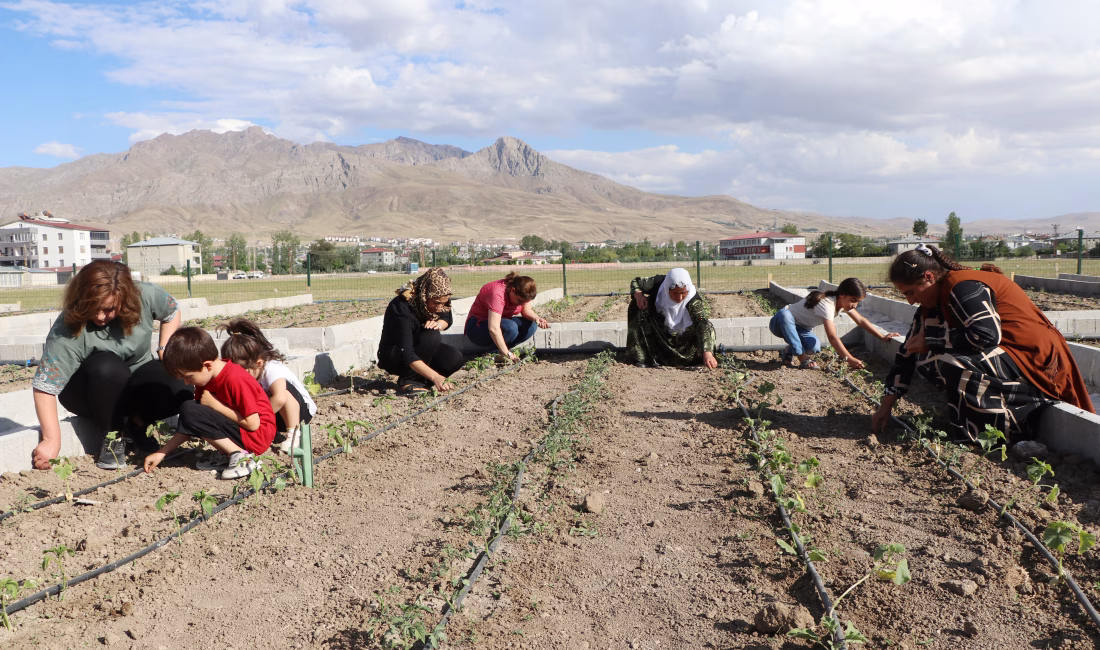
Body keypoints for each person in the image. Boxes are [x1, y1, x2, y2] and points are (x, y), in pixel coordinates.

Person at [871, 243, 1094, 442]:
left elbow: (986, 335)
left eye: (911, 292)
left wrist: (932, 340)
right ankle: (979, 416)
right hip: (1010, 353)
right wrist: (886, 404)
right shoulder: (932, 304)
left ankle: (999, 431)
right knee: (926, 358)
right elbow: (907, 351)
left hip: (1034, 356)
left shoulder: (963, 287)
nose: (911, 300)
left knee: (948, 360)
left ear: (929, 277)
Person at [31, 260, 193, 471]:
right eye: (93, 308)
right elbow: (45, 386)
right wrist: (51, 439)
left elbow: (172, 311)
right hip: (90, 390)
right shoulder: (67, 328)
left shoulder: (145, 295)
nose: (99, 316)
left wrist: (165, 348)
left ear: (125, 300)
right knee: (109, 367)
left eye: (108, 309)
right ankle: (113, 437)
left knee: (182, 382)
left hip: (132, 380)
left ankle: (136, 425)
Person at [146, 327, 276, 479]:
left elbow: (253, 424)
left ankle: (241, 456)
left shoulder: (235, 379)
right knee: (191, 410)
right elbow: (192, 423)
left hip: (256, 437)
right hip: (243, 432)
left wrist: (216, 405)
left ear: (207, 365)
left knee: (190, 409)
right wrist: (162, 453)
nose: (186, 382)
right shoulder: (206, 380)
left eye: (188, 376)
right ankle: (229, 453)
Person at [220, 318, 316, 454]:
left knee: (282, 391)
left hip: (300, 413)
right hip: (271, 416)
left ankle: (294, 435)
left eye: (244, 371)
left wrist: (257, 420)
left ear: (258, 363)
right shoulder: (247, 373)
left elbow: (280, 399)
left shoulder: (272, 368)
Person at [768, 277, 899, 370]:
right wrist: (849, 359)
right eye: (853, 300)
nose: (855, 305)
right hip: (780, 324)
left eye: (858, 302)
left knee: (813, 347)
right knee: (785, 314)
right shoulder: (827, 304)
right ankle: (802, 358)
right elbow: (832, 337)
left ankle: (787, 351)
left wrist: (882, 336)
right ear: (842, 294)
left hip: (801, 329)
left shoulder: (842, 304)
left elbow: (861, 321)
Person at [377, 268, 466, 395]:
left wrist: (438, 324)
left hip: (422, 349)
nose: (440, 307)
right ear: (425, 295)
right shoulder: (402, 307)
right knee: (431, 335)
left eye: (444, 303)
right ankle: (409, 381)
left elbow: (447, 319)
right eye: (436, 303)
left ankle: (423, 380)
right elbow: (407, 353)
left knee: (454, 358)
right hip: (395, 355)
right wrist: (436, 376)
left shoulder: (440, 297)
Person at [627, 268, 718, 369]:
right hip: (661, 337)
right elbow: (636, 282)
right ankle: (643, 357)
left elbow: (702, 324)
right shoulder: (658, 283)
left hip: (684, 346)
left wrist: (707, 353)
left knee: (708, 326)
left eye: (683, 293)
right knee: (635, 305)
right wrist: (638, 294)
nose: (680, 298)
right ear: (667, 289)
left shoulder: (694, 301)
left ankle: (691, 359)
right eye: (675, 293)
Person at [465, 271, 549, 362]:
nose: (521, 304)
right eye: (520, 301)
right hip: (477, 328)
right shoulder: (497, 293)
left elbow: (526, 310)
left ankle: (499, 352)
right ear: (513, 290)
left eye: (525, 302)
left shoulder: (522, 291)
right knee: (511, 327)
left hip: (501, 323)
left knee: (531, 326)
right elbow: (493, 328)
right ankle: (490, 356)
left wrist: (537, 318)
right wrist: (507, 353)